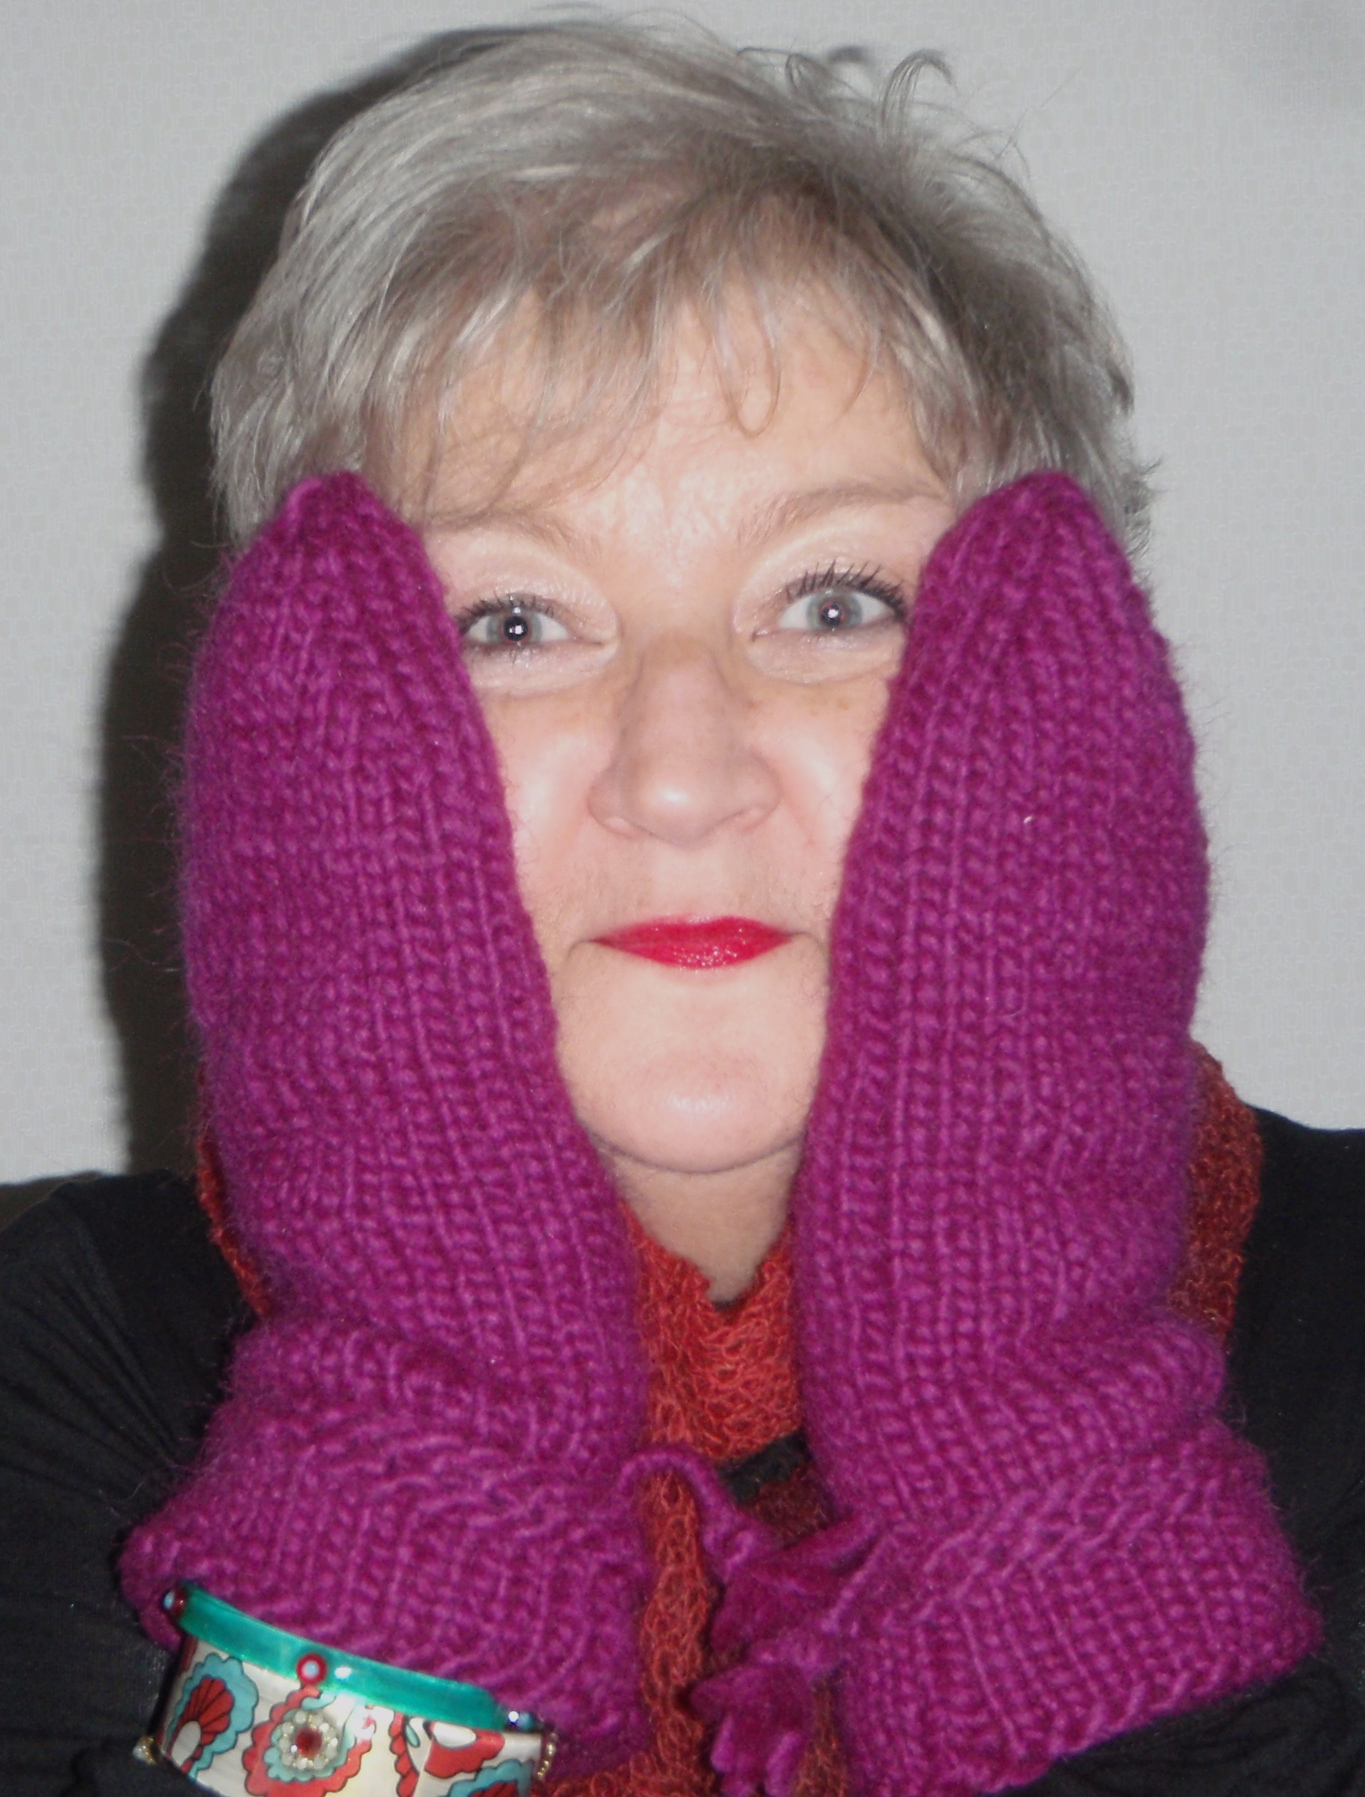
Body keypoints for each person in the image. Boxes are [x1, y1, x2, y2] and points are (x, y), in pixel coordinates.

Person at [2, 18, 1363, 1797]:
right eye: (513, 620)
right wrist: (423, 1428)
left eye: (831, 600)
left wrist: (1031, 1428)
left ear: (1064, 684)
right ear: (303, 734)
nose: (678, 769)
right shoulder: (63, 1359)